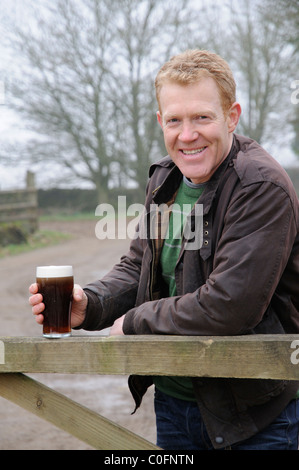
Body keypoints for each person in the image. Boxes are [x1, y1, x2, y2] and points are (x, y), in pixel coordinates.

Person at [29, 49, 299, 450]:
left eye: (202, 117)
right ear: (161, 122)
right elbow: (140, 266)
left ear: (232, 115)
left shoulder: (260, 187)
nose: (187, 135)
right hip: (174, 402)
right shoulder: (165, 180)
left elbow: (230, 304)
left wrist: (136, 321)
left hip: (253, 415)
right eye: (174, 120)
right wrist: (91, 303)